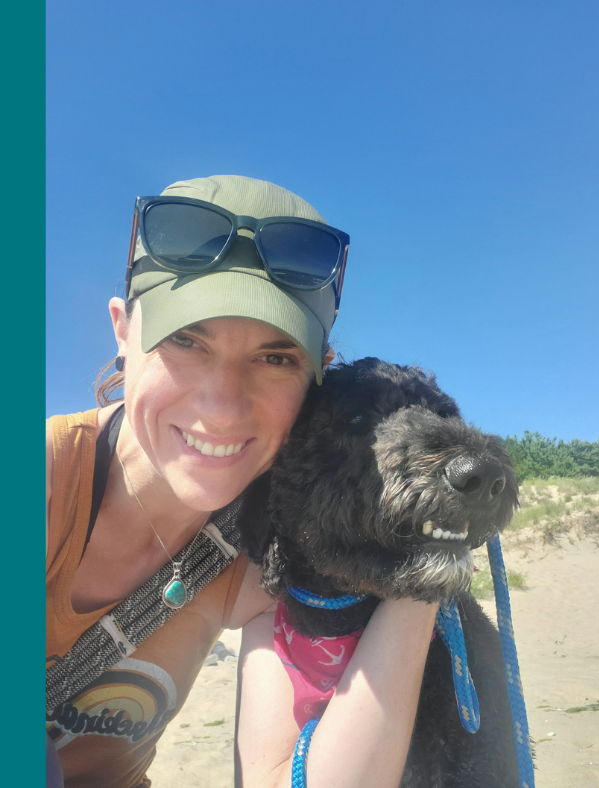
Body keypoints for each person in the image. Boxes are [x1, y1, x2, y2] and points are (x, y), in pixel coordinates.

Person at [46, 175, 438, 788]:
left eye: (276, 357)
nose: (224, 406)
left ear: (318, 374)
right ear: (123, 331)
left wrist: (423, 574)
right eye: (186, 340)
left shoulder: (270, 545)